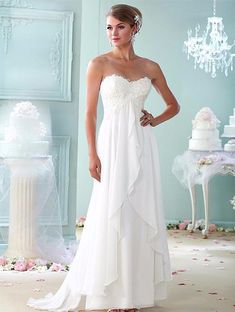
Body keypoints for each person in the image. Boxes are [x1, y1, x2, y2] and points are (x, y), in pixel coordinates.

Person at [27, 4, 180, 312]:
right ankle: (112, 293)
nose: (113, 33)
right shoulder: (98, 63)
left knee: (138, 212)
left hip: (141, 145)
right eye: (109, 28)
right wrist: (92, 154)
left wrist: (154, 120)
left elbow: (173, 106)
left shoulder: (150, 67)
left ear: (134, 28)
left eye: (119, 27)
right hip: (111, 145)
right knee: (113, 210)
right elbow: (89, 113)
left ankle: (134, 292)